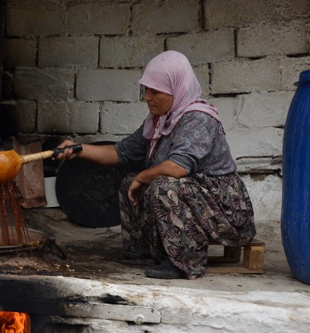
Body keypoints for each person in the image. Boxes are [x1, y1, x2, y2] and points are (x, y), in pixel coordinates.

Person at [55, 50, 256, 280]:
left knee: (162, 186)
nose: (147, 97)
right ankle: (141, 250)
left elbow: (177, 168)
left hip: (225, 211)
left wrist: (144, 177)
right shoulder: (158, 122)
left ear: (177, 88)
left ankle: (184, 261)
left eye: (155, 91)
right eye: (146, 90)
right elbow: (120, 152)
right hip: (195, 197)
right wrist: (77, 149)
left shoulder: (199, 119)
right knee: (130, 181)